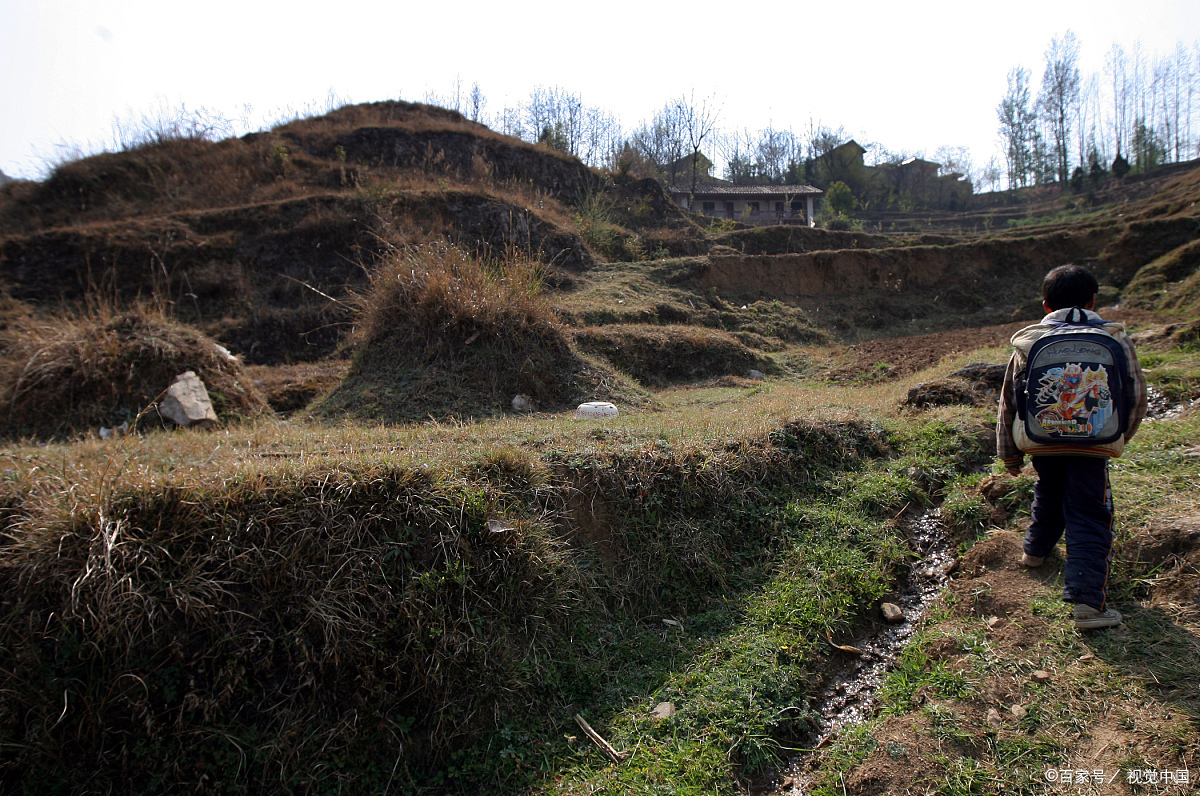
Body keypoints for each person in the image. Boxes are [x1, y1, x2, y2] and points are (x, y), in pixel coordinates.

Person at [996, 264, 1148, 630]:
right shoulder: (1114, 338)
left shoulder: (1030, 341)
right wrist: (1117, 436)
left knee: (1049, 491)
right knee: (1090, 513)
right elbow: (1137, 396)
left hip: (1043, 441)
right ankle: (1088, 604)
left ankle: (1034, 553)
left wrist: (1009, 454)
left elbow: (1009, 402)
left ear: (1046, 305)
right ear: (1093, 300)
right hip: (1094, 443)